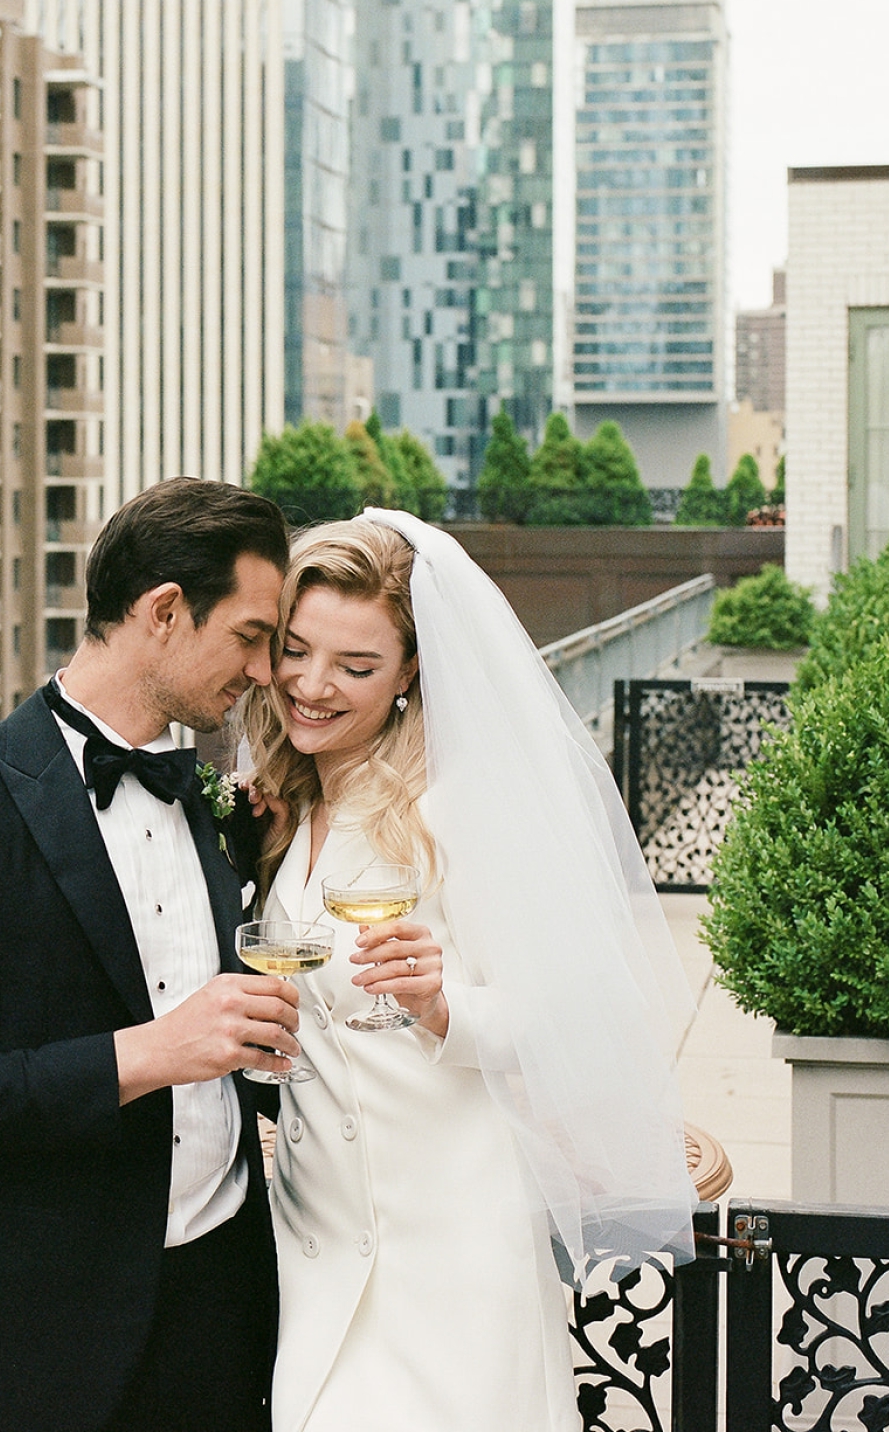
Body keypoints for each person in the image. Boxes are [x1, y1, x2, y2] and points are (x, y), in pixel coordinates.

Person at [240, 511, 696, 1432]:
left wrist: (447, 1007)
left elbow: (575, 1018)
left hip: (454, 1242)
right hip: (312, 1237)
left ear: (412, 672)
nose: (312, 686)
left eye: (356, 668)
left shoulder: (461, 809)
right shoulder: (279, 807)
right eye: (294, 650)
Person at [0, 478, 299, 1432]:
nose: (266, 673)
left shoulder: (209, 800)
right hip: (41, 1346)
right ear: (165, 613)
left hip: (223, 1309)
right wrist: (149, 1053)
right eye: (253, 636)